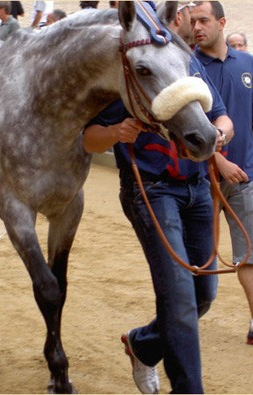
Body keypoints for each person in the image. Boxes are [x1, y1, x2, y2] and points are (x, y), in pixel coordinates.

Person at [83, 2, 234, 393]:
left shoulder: (184, 62)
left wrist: (221, 132)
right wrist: (117, 132)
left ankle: (144, 345)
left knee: (203, 293)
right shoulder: (129, 67)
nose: (178, 17)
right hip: (151, 189)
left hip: (198, 188)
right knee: (180, 298)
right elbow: (88, 138)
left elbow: (220, 114)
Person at [192, 1, 253, 347]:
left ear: (221, 23)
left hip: (246, 176)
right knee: (199, 258)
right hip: (198, 181)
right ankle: (181, 322)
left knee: (250, 254)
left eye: (204, 20)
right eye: (194, 21)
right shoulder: (187, 66)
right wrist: (217, 161)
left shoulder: (248, 65)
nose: (198, 27)